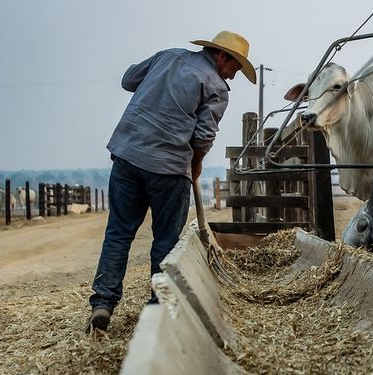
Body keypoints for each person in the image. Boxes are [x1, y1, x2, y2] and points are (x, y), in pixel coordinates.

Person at [85, 31, 256, 333]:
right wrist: (197, 164)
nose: (235, 74)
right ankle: (157, 310)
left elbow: (128, 81)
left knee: (119, 232)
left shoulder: (167, 57)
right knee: (164, 241)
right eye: (236, 67)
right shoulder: (217, 87)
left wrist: (158, 85)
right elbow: (203, 135)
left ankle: (103, 303)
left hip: (128, 153)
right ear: (222, 56)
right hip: (169, 167)